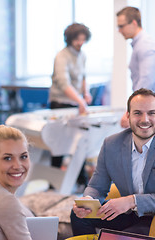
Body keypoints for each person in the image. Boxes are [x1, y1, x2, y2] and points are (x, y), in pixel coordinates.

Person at [70, 88, 155, 236]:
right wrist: (88, 201)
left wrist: (131, 201)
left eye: (151, 113)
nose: (145, 119)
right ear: (128, 116)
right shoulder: (111, 144)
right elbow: (97, 186)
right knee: (78, 217)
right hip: (129, 214)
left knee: (127, 235)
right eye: (138, 113)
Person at [48, 23, 92, 186]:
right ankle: (52, 183)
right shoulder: (62, 56)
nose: (80, 42)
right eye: (77, 39)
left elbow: (83, 77)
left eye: (83, 39)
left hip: (75, 104)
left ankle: (81, 180)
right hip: (60, 104)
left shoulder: (82, 55)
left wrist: (85, 94)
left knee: (79, 142)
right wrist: (80, 100)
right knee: (58, 144)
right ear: (70, 39)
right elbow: (63, 83)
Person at [117, 6, 155, 128]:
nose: (119, 30)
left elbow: (146, 80)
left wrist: (130, 110)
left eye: (121, 26)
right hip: (151, 109)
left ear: (133, 23)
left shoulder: (145, 45)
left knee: (154, 147)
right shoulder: (140, 44)